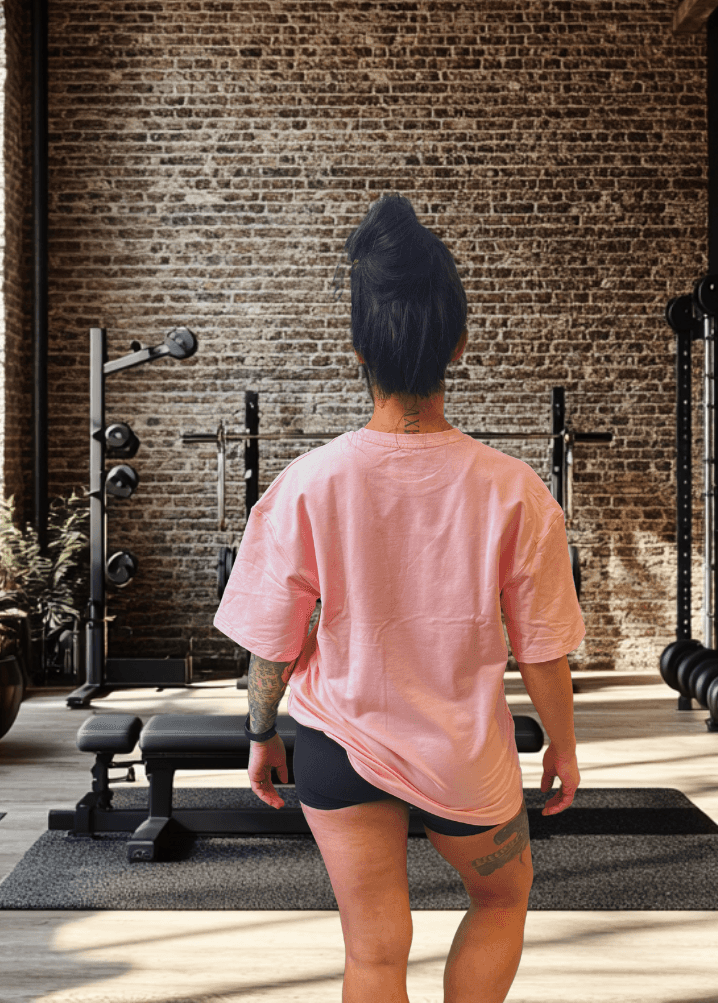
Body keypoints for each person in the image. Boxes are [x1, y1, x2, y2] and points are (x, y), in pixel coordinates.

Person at [213, 192, 584, 1003]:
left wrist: (260, 734)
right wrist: (563, 746)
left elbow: (272, 644)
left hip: (337, 746)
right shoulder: (515, 491)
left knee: (374, 953)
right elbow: (543, 647)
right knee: (502, 895)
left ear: (358, 348)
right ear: (458, 343)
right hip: (462, 756)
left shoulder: (307, 484)